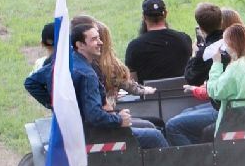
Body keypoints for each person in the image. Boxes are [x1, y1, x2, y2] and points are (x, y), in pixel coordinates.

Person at [25, 21, 169, 149]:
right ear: (80, 45)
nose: (100, 43)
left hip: (73, 129)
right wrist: (119, 119)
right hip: (93, 134)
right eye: (94, 39)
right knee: (154, 136)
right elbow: (94, 115)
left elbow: (31, 82)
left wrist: (57, 104)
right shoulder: (88, 75)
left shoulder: (65, 62)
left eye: (99, 38)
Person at [166, 24, 245, 146]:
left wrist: (216, 63)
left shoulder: (235, 69)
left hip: (239, 127)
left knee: (204, 133)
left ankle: (201, 159)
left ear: (231, 45)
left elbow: (214, 91)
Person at [124, 0, 193, 83]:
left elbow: (133, 83)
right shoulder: (184, 39)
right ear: (166, 14)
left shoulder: (134, 47)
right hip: (182, 92)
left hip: (149, 92)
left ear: (144, 17)